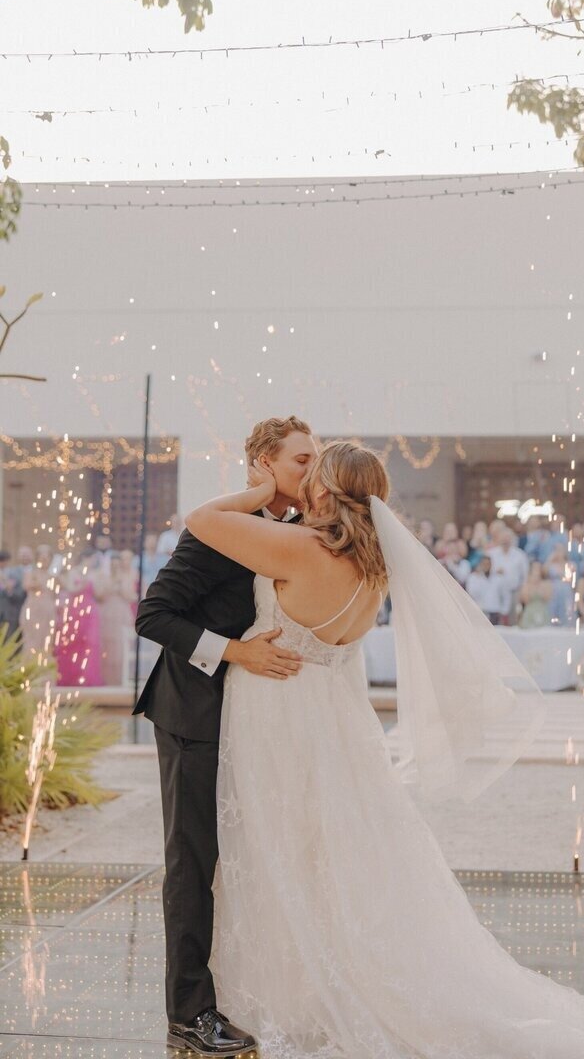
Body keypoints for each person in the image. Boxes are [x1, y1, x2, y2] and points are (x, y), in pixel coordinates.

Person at [182, 437, 584, 1059]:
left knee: (279, 850)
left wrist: (260, 492)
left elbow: (203, 521)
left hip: (277, 715)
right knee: (327, 856)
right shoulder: (376, 568)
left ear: (323, 489)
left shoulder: (300, 547)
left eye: (312, 474)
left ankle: (296, 991)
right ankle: (326, 978)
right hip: (333, 725)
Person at [134, 416, 317, 1055]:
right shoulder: (219, 530)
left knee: (231, 860)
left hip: (247, 723)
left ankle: (230, 991)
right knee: (191, 863)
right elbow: (152, 615)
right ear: (262, 465)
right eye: (299, 462)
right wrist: (235, 651)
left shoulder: (289, 531)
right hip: (191, 715)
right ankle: (188, 1015)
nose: (311, 472)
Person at [52, 562, 104, 686]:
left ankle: (88, 677)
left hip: (90, 612)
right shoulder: (72, 574)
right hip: (74, 611)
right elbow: (71, 589)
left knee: (90, 644)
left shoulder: (94, 574)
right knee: (72, 644)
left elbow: (99, 594)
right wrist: (84, 582)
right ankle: (69, 677)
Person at [94, 550, 139, 685]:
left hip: (121, 613)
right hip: (106, 612)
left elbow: (132, 597)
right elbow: (99, 596)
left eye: (117, 564)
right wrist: (110, 585)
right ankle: (105, 679)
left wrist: (120, 587)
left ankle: (120, 679)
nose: (114, 567)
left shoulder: (127, 577)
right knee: (105, 645)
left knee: (120, 646)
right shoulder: (103, 577)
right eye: (112, 565)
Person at [487, 527, 529, 625]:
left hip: (514, 592)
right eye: (503, 538)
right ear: (499, 539)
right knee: (496, 621)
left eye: (508, 538)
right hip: (495, 593)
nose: (505, 541)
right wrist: (494, 571)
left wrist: (522, 592)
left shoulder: (520, 555)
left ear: (512, 540)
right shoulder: (491, 554)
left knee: (512, 621)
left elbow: (525, 576)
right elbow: (484, 572)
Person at [465, 554, 508, 624]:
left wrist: (504, 611)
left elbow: (505, 595)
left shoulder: (498, 578)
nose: (486, 566)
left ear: (491, 565)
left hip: (494, 611)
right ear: (480, 564)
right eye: (484, 564)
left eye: (488, 564)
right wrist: (479, 578)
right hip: (480, 611)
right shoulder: (473, 577)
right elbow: (472, 593)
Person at [517, 561, 553, 628]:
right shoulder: (526, 584)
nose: (537, 570)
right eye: (535, 568)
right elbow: (525, 600)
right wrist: (532, 585)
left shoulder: (546, 583)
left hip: (542, 610)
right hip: (530, 610)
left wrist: (539, 586)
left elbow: (547, 598)